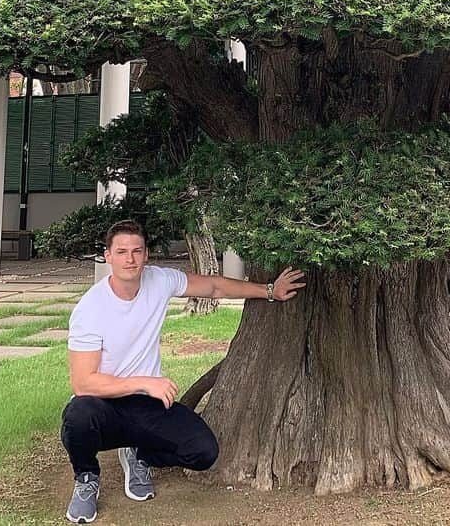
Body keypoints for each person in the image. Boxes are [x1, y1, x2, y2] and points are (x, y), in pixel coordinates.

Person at [62, 218, 305, 523]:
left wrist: (270, 290)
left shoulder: (159, 280)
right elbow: (84, 383)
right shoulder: (91, 308)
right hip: (102, 404)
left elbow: (214, 286)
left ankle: (140, 455)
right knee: (78, 417)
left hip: (146, 405)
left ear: (146, 254)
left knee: (204, 452)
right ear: (108, 256)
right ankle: (86, 478)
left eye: (137, 251)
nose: (130, 259)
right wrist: (145, 382)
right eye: (121, 252)